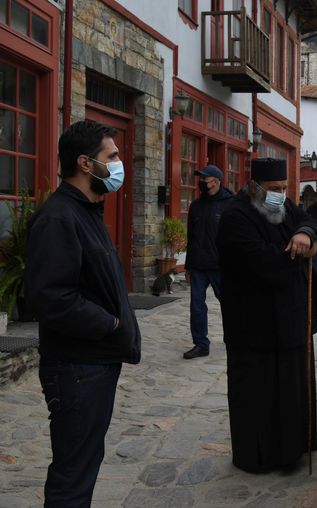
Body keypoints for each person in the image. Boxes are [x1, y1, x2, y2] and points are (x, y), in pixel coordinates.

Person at [25, 120, 141, 506]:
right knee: (72, 475)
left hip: (94, 363)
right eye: (112, 156)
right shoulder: (59, 217)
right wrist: (110, 323)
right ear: (85, 164)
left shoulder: (88, 210)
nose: (119, 163)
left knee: (84, 464)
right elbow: (50, 297)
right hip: (76, 369)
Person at [216, 158, 317, 473]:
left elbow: (311, 222)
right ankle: (259, 457)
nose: (280, 194)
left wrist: (307, 236)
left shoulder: (283, 207)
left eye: (284, 188)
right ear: (255, 187)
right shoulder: (235, 216)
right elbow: (264, 263)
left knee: (291, 390)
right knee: (258, 397)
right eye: (273, 189)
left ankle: (293, 451)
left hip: (292, 320)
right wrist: (304, 253)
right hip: (254, 326)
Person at [183, 164, 234, 360]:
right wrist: (188, 266)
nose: (201, 182)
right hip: (197, 266)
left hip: (221, 267)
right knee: (196, 305)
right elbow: (191, 236)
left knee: (229, 304)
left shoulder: (230, 204)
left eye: (205, 179)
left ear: (216, 181)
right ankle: (201, 344)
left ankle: (234, 336)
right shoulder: (195, 206)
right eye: (201, 179)